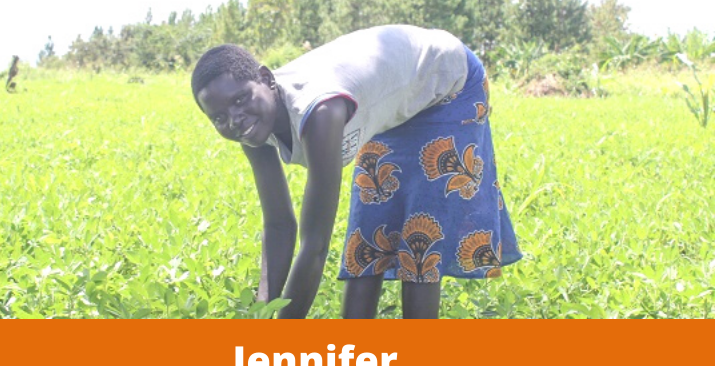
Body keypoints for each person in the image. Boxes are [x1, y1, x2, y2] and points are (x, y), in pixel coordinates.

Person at [191, 25, 522, 319]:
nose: (234, 120)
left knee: (421, 237)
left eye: (239, 100)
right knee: (368, 236)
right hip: (393, 98)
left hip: (446, 84)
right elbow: (279, 224)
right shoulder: (251, 129)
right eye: (218, 117)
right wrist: (263, 310)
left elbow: (315, 245)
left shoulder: (320, 112)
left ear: (265, 79)